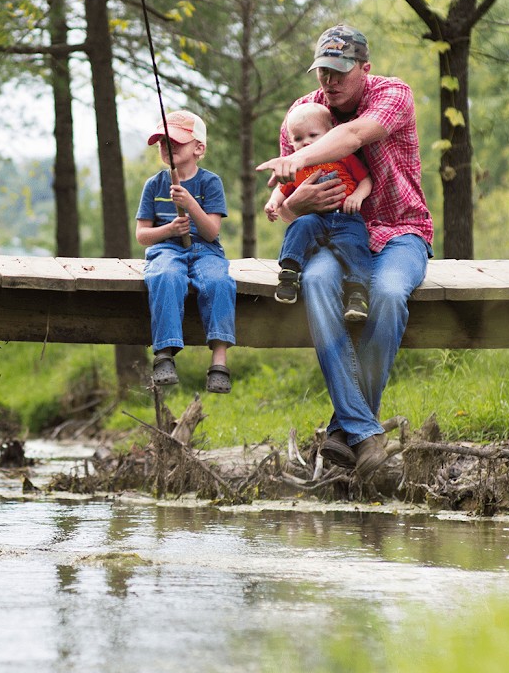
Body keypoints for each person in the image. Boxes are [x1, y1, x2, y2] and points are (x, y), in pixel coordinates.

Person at [257, 24, 434, 489]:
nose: (329, 83)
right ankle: (365, 433)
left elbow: (356, 136)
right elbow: (288, 202)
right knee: (315, 282)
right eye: (322, 73)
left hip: (400, 229)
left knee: (391, 293)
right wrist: (294, 203)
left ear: (364, 68)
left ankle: (346, 428)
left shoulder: (393, 94)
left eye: (339, 72)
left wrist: (300, 159)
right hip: (331, 234)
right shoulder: (302, 113)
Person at [135, 110, 237, 393]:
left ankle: (219, 360)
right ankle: (164, 354)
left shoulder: (210, 183)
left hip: (205, 249)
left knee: (218, 282)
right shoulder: (154, 185)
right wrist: (169, 230)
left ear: (198, 148)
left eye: (175, 143)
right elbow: (143, 236)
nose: (167, 149)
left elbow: (212, 232)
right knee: (166, 276)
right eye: (162, 144)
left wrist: (190, 204)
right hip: (166, 249)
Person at [264, 103, 373, 321]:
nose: (305, 142)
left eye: (313, 135)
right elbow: (282, 189)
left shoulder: (342, 156)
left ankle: (357, 292)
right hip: (316, 218)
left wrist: (356, 197)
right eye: (297, 138)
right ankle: (289, 273)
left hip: (346, 216)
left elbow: (366, 180)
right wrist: (273, 203)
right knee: (300, 226)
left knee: (356, 243)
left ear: (330, 134)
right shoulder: (296, 167)